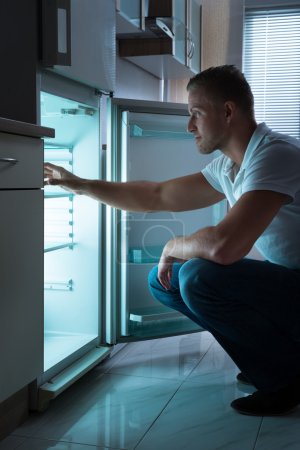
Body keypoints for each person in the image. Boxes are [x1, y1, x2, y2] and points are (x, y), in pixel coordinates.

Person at [44, 65, 300, 416]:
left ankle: (284, 379)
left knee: (198, 275)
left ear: (228, 111)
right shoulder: (228, 167)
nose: (189, 127)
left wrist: (171, 245)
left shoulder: (275, 154)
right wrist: (81, 184)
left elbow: (224, 247)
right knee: (165, 281)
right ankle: (276, 363)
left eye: (196, 114)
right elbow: (157, 195)